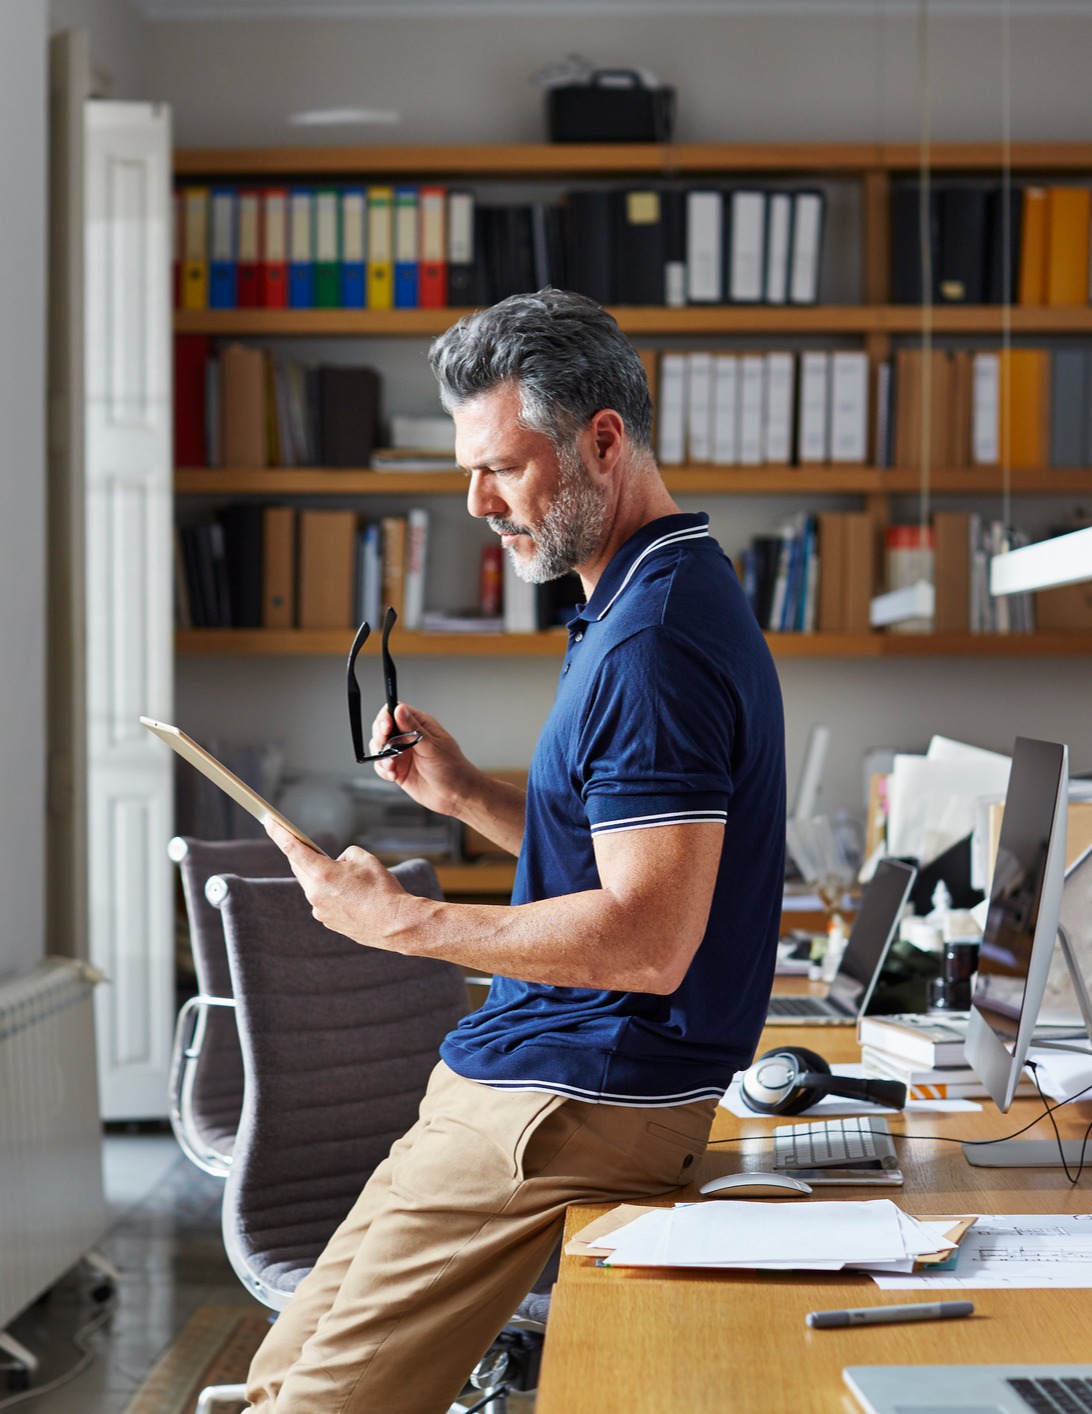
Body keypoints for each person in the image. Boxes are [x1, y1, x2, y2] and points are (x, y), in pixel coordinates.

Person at [248, 288, 786, 1414]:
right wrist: (466, 796)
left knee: (319, 1405)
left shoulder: (653, 642)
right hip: (529, 1069)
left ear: (603, 441)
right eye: (468, 470)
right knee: (278, 1377)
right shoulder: (641, 593)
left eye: (501, 467)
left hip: (577, 1089)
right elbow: (615, 855)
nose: (478, 504)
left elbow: (646, 941)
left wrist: (400, 922)